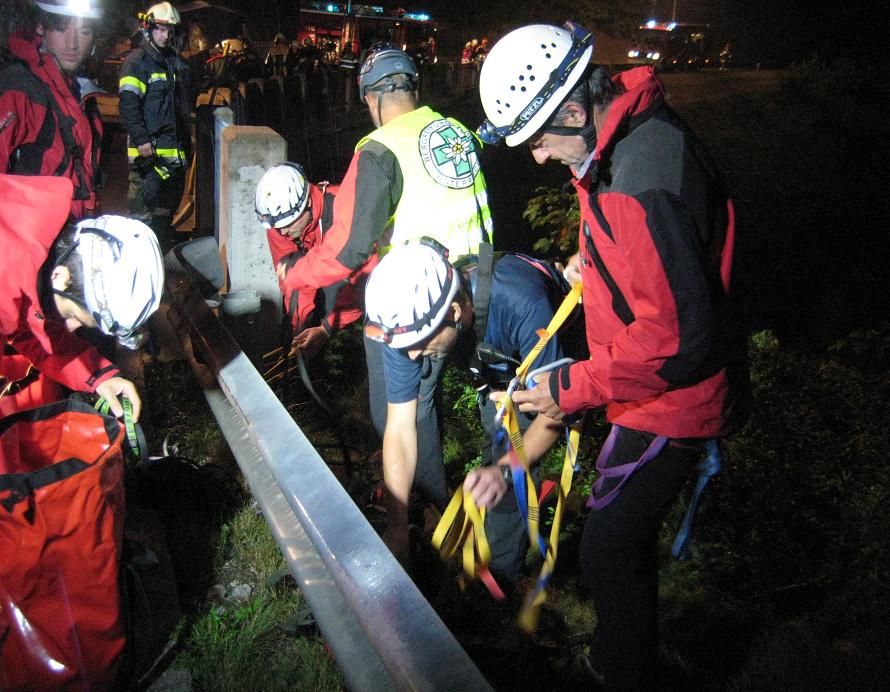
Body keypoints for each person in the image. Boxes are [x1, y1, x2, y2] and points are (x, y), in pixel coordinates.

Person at [478, 22, 745, 690]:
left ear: (572, 111)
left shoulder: (636, 184)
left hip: (672, 400)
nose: (539, 157)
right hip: (653, 383)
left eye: (540, 141)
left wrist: (570, 387)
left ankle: (618, 673)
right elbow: (661, 268)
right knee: (615, 542)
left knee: (609, 548)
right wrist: (594, 265)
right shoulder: (632, 138)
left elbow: (676, 340)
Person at [276, 43, 492, 558]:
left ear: (371, 99)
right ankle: (453, 511)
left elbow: (350, 247)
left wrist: (294, 272)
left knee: (398, 410)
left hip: (420, 299)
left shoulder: (379, 148)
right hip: (480, 288)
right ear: (413, 88)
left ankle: (423, 512)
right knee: (440, 401)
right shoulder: (454, 131)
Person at [364, 239, 578, 581]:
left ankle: (499, 580)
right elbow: (401, 428)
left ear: (453, 312)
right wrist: (396, 528)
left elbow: (555, 414)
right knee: (496, 446)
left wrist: (504, 470)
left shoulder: (522, 303)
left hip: (542, 377)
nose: (413, 356)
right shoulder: (405, 322)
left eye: (420, 343)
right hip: (495, 372)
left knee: (508, 474)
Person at [0, 171, 163, 482]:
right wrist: (14, 500)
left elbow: (28, 324)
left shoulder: (25, 236)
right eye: (73, 316)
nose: (68, 328)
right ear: (60, 277)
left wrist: (98, 375)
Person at [0, 0, 105, 220]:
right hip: (28, 234)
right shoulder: (15, 92)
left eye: (84, 31)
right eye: (61, 29)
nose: (72, 43)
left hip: (72, 230)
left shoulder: (79, 91)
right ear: (41, 27)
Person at [255, 162, 368, 358]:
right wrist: (300, 328)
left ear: (307, 203)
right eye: (278, 227)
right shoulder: (280, 224)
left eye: (288, 224)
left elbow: (361, 280)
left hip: (372, 291)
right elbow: (293, 280)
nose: (283, 232)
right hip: (335, 292)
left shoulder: (343, 209)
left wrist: (327, 328)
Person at [119, 1, 192, 254]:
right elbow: (128, 105)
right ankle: (137, 264)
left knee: (163, 218)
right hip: (148, 161)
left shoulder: (173, 63)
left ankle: (160, 262)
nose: (165, 35)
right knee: (140, 218)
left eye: (169, 30)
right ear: (148, 29)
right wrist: (142, 140)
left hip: (172, 160)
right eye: (160, 29)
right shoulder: (136, 63)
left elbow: (180, 110)